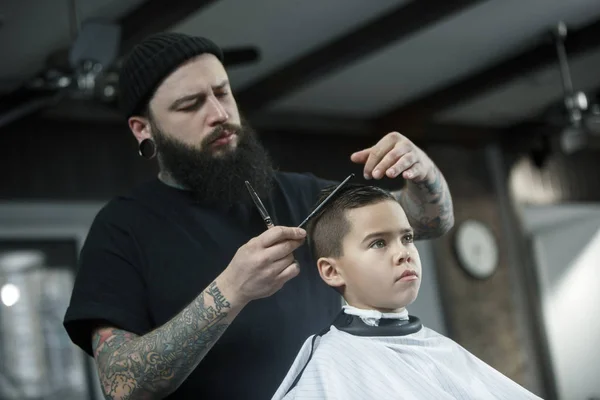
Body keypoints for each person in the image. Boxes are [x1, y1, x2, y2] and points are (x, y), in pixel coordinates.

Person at [62, 32, 454, 400]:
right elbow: (121, 383)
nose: (218, 114)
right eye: (190, 104)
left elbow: (428, 223)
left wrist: (424, 175)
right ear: (142, 128)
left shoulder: (302, 194)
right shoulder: (122, 228)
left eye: (222, 93)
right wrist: (233, 290)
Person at [271, 184, 541, 400]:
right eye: (378, 243)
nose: (403, 253)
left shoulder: (439, 349)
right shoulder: (330, 368)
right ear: (332, 271)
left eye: (407, 238)